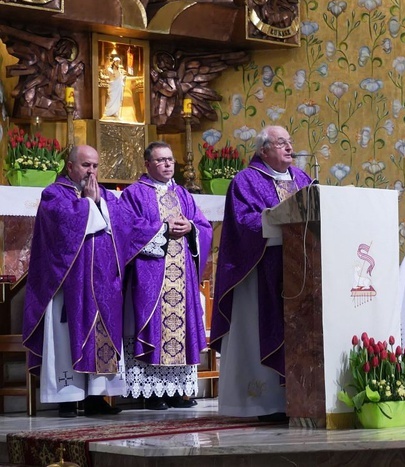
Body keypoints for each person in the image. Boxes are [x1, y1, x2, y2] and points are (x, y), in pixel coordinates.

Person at [22, 145, 158, 417]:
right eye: (86, 165)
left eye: (95, 166)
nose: (92, 171)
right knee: (65, 338)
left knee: (102, 338)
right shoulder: (53, 195)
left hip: (104, 286)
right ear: (70, 166)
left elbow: (126, 223)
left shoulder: (106, 195)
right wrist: (89, 203)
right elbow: (63, 225)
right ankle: (68, 399)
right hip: (68, 286)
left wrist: (161, 228)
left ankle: (97, 398)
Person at [210, 125, 312, 420]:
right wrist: (278, 220)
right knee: (262, 331)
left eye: (290, 142)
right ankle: (266, 404)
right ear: (263, 150)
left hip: (302, 269)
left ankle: (302, 397)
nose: (289, 148)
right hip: (261, 272)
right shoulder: (246, 181)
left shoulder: (303, 179)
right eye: (281, 143)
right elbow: (243, 223)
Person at [120, 141, 212, 410]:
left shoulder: (183, 194)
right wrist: (162, 229)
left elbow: (204, 226)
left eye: (171, 159)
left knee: (179, 330)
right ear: (147, 164)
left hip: (182, 276)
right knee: (152, 328)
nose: (168, 164)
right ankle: (151, 394)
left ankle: (175, 391)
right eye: (160, 160)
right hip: (150, 273)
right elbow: (127, 228)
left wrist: (192, 228)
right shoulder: (134, 194)